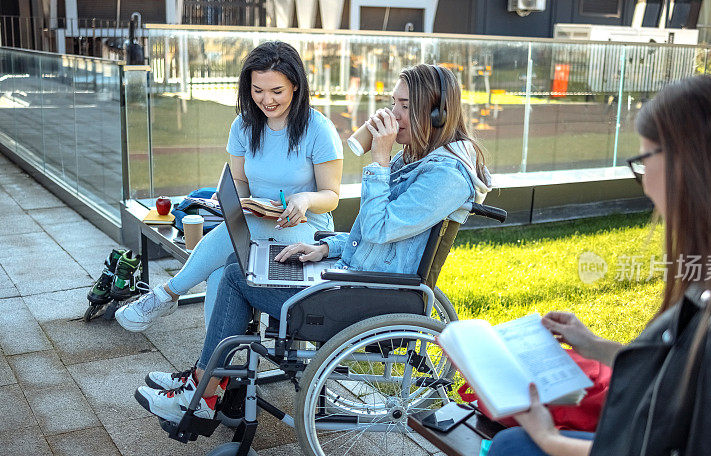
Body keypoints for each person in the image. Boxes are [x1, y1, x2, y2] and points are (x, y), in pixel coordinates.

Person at [456, 75, 711, 456]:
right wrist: (592, 344)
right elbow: (682, 374)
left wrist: (548, 436)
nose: (642, 183)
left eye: (642, 160)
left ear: (686, 163)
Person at [134, 63, 493, 424]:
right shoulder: (420, 158)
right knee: (244, 267)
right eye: (393, 102)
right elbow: (372, 235)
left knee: (235, 277)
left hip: (371, 297)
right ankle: (207, 385)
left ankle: (203, 393)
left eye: (403, 105)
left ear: (434, 113)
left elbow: (380, 227)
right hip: (357, 277)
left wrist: (379, 161)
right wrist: (326, 248)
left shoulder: (445, 175)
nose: (391, 113)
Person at [115, 41, 343, 332]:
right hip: (257, 221)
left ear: (296, 86)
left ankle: (168, 294)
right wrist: (232, 200)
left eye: (277, 91)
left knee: (243, 232)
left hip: (307, 229)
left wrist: (305, 200)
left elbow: (331, 196)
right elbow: (240, 180)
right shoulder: (244, 126)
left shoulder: (318, 129)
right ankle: (213, 369)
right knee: (220, 273)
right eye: (258, 90)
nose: (267, 100)